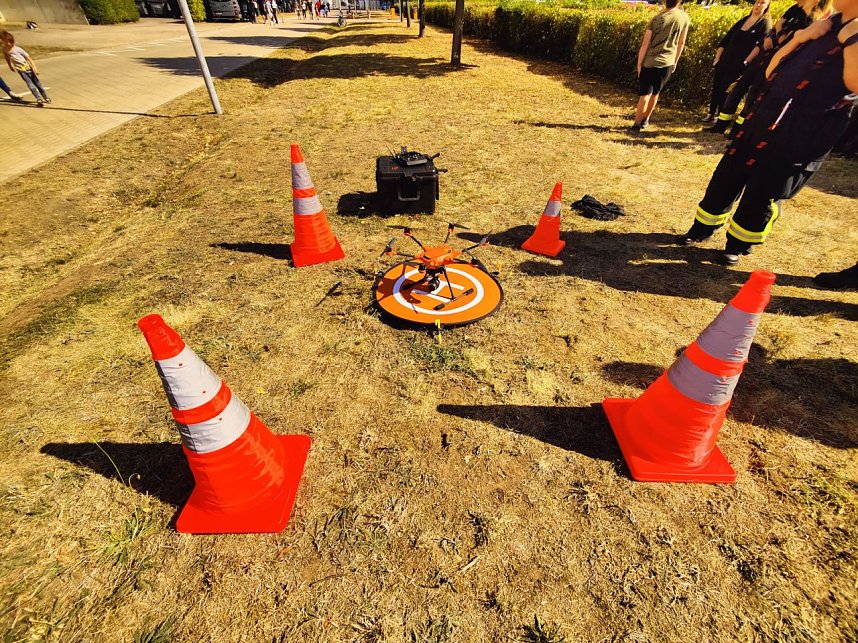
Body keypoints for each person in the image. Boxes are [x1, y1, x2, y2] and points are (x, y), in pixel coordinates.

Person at [679, 8, 858, 265]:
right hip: (763, 117)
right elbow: (770, 70)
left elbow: (855, 84)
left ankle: (739, 244)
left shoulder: (853, 32)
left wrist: (851, 39)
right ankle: (702, 228)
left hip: (800, 131)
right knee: (727, 176)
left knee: (764, 189)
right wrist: (799, 38)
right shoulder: (825, 25)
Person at [712, 0, 833, 133]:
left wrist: (780, 32)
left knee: (753, 96)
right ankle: (720, 125)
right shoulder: (794, 9)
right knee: (738, 89)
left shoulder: (812, 18)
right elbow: (777, 27)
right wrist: (771, 35)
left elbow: (788, 38)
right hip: (764, 57)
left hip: (777, 61)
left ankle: (737, 130)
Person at [702, 0, 772, 123]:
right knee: (717, 87)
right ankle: (711, 113)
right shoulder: (743, 20)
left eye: (762, 3)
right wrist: (717, 59)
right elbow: (725, 40)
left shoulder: (764, 23)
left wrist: (746, 61)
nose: (758, 5)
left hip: (739, 64)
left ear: (767, 7)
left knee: (727, 89)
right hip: (724, 61)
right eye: (757, 2)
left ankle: (721, 116)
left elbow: (759, 46)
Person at [631, 0, 690, 130]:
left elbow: (645, 44)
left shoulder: (656, 19)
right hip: (667, 62)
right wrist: (675, 61)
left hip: (650, 61)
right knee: (655, 93)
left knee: (644, 94)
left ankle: (636, 123)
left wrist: (639, 64)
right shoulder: (684, 18)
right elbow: (681, 43)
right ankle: (645, 119)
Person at [1, 31, 50, 106]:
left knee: (38, 84)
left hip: (29, 69)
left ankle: (46, 97)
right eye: (7, 42)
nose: (9, 44)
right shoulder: (5, 50)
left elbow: (29, 58)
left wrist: (35, 68)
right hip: (22, 71)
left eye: (10, 42)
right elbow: (7, 58)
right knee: (30, 85)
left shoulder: (18, 49)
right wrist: (10, 66)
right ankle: (38, 98)